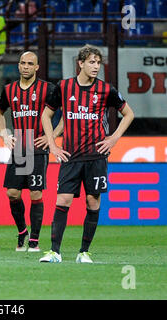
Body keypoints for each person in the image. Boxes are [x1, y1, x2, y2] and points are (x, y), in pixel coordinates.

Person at [39, 45, 134, 263]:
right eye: (91, 62)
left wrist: (114, 138)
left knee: (93, 202)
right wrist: (52, 145)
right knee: (63, 200)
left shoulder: (105, 89)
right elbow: (46, 115)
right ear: (80, 63)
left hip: (96, 155)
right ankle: (55, 252)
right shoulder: (63, 87)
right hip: (70, 155)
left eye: (98, 63)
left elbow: (129, 114)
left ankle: (84, 252)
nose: (95, 66)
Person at [0, 51, 63, 252]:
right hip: (18, 149)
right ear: (18, 65)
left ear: (37, 67)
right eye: (22, 63)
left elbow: (67, 113)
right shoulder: (9, 89)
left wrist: (52, 137)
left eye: (30, 63)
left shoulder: (48, 89)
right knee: (12, 193)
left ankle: (34, 239)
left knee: (35, 193)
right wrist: (4, 134)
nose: (25, 66)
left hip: (38, 149)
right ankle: (22, 230)